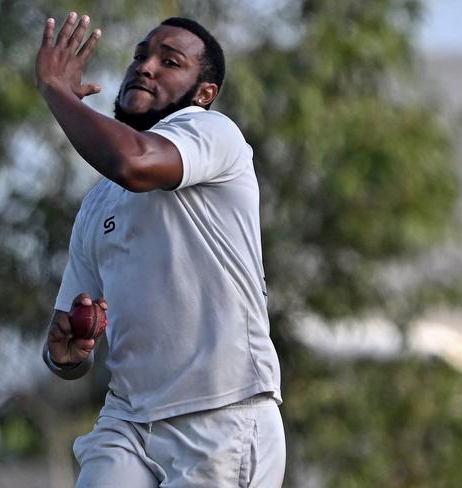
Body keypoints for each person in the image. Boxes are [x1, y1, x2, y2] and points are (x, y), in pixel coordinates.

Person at [36, 12, 285, 487]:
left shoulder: (213, 134)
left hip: (223, 417)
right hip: (127, 421)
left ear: (203, 93)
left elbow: (133, 162)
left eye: (169, 61)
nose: (145, 67)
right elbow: (72, 347)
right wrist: (65, 356)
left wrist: (56, 90)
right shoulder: (98, 204)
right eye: (140, 56)